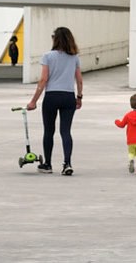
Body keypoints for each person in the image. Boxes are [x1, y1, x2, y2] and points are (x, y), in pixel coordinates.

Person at [26, 26, 83, 175]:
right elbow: (79, 80)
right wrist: (79, 97)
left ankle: (48, 164)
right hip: (68, 96)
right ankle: (67, 164)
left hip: (52, 96)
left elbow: (43, 79)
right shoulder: (74, 57)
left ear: (55, 39)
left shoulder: (48, 56)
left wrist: (33, 101)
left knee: (49, 131)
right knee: (65, 131)